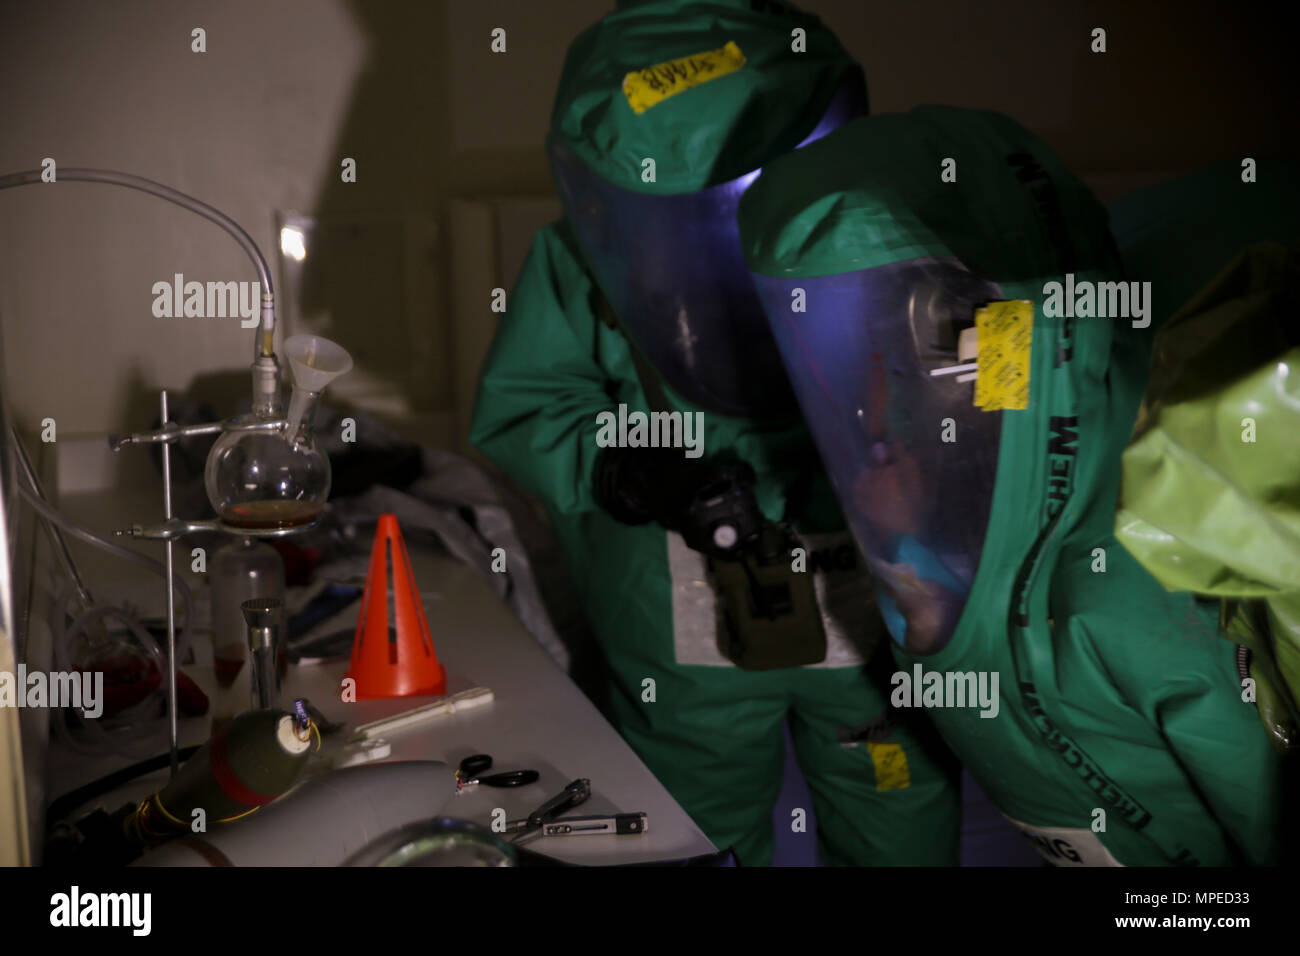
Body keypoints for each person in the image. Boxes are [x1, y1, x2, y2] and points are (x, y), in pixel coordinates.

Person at [471, 0, 960, 865]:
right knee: (685, 825)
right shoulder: (580, 261)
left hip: (869, 592)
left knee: (894, 794)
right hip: (680, 602)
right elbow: (527, 406)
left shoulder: (884, 232)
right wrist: (629, 469)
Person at [737, 106, 1284, 864]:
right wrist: (905, 536)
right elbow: (986, 469)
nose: (881, 415)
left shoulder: (1135, 589)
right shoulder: (984, 378)